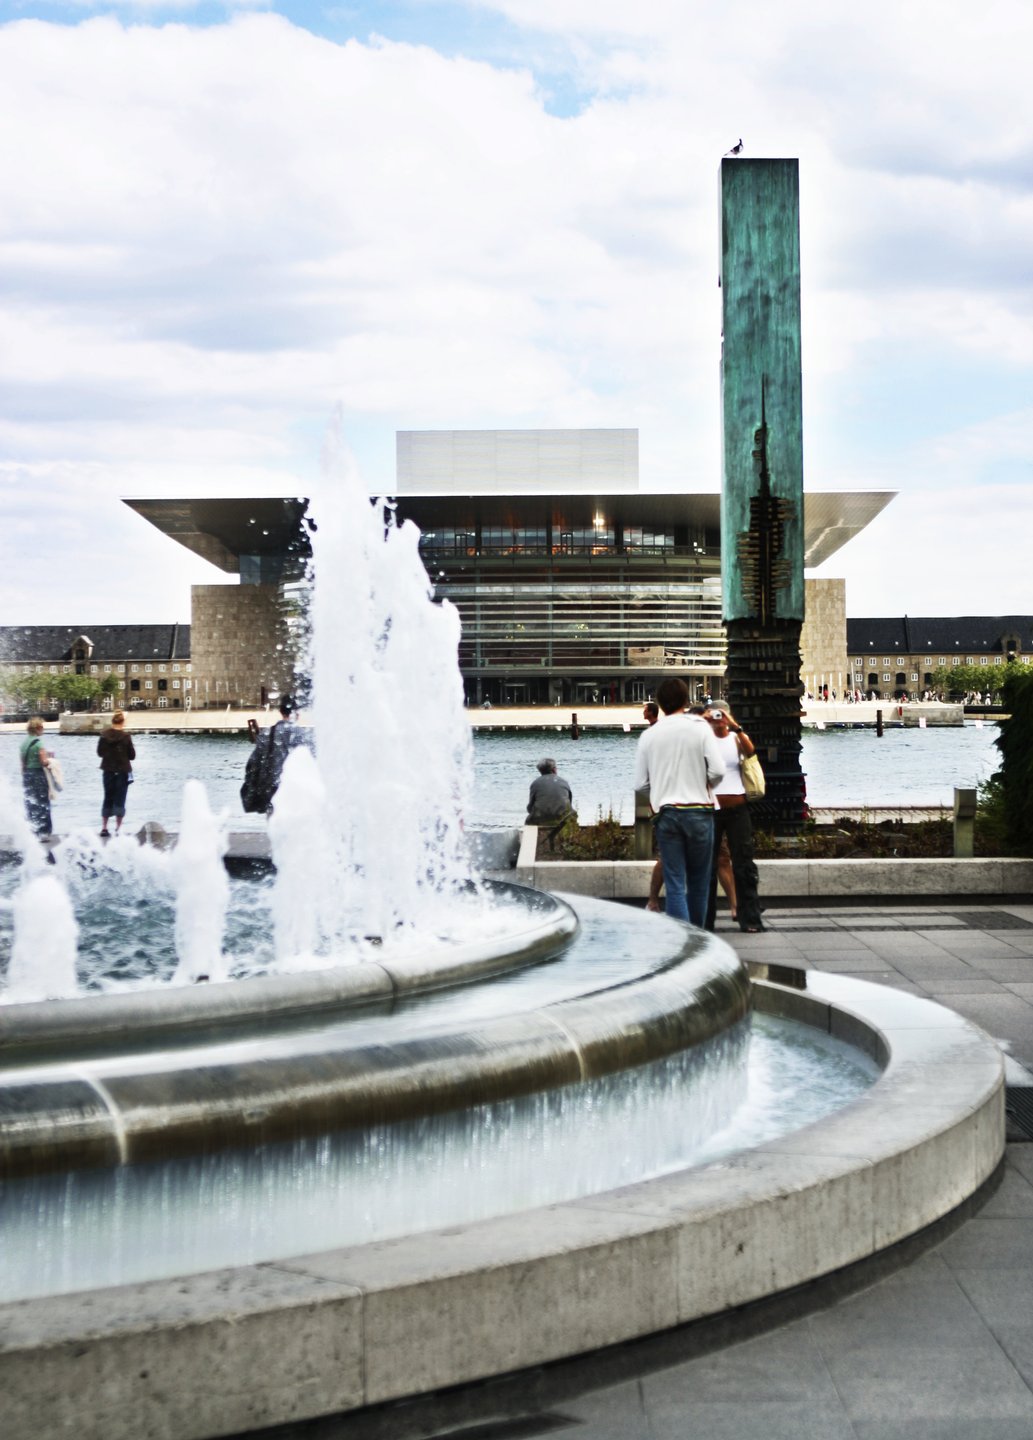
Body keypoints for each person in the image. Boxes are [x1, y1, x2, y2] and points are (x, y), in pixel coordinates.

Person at [633, 676, 724, 926]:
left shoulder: (650, 736)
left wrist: (661, 791)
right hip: (700, 812)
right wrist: (703, 784)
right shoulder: (700, 727)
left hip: (668, 813)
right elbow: (717, 771)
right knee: (699, 882)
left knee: (674, 882)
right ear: (686, 700)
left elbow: (640, 784)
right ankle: (700, 939)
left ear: (659, 704)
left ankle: (683, 944)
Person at [703, 704, 764, 933]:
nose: (719, 720)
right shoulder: (703, 741)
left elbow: (751, 751)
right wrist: (703, 720)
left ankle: (750, 919)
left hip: (738, 807)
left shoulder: (736, 738)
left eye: (722, 715)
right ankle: (706, 921)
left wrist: (735, 726)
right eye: (715, 715)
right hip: (712, 809)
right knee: (708, 866)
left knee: (744, 864)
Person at [240, 695, 308, 815]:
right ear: (297, 713)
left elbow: (252, 765)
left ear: (281, 711)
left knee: (275, 824)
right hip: (297, 792)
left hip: (273, 791)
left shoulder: (267, 733)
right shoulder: (304, 735)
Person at [97, 709, 136, 836]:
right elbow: (132, 756)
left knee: (107, 797)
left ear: (112, 721)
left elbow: (100, 753)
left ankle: (104, 828)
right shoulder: (126, 737)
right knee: (120, 798)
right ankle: (118, 829)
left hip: (108, 770)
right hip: (122, 771)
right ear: (123, 722)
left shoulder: (104, 735)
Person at [20, 716, 53, 843]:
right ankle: (43, 831)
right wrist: (50, 759)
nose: (43, 730)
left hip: (27, 775)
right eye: (42, 727)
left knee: (30, 802)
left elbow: (22, 765)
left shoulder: (24, 744)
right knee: (42, 802)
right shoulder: (38, 743)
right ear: (38, 728)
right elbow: (43, 762)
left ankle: (32, 829)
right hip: (38, 775)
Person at [526, 758, 573, 827]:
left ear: (540, 771)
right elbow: (569, 803)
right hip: (564, 817)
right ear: (554, 769)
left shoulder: (535, 783)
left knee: (528, 822)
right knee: (572, 814)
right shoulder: (564, 782)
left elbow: (530, 807)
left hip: (540, 818)